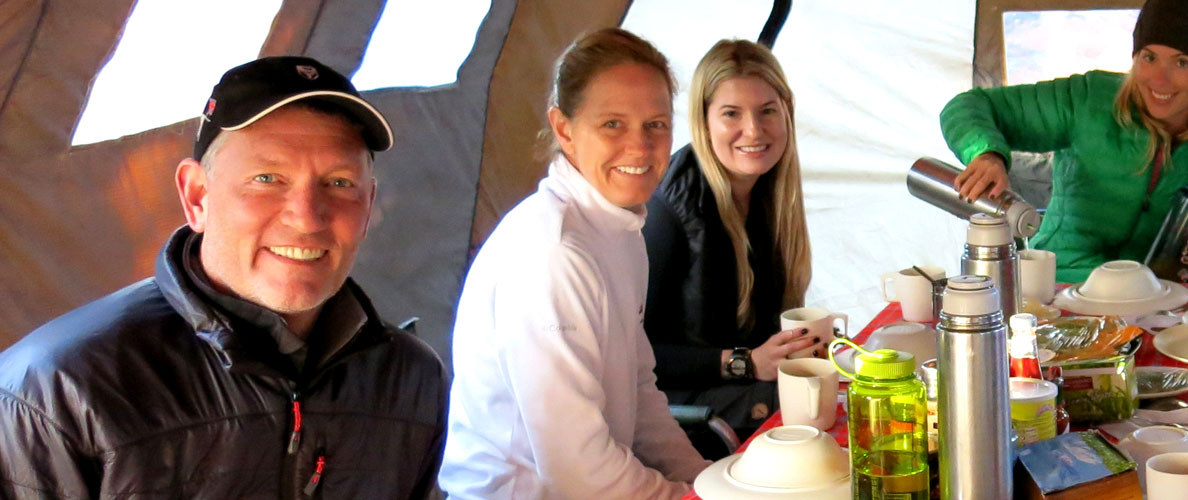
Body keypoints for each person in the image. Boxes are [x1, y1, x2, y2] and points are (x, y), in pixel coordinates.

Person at [0, 56, 449, 498]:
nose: (308, 218)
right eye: (268, 178)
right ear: (197, 197)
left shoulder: (410, 379)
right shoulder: (59, 390)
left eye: (338, 183)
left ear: (368, 206)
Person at [438, 28, 709, 499]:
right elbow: (579, 474)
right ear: (565, 129)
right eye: (613, 124)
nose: (640, 147)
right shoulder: (554, 254)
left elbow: (639, 391)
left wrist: (706, 480)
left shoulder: (619, 231)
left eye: (656, 125)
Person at [938, 0, 1188, 283]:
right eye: (1149, 57)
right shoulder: (1088, 100)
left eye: (1181, 62)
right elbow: (968, 106)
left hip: (1160, 303)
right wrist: (986, 153)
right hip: (1062, 285)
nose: (1159, 78)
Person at [644, 39, 818, 448]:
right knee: (810, 411)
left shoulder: (771, 192)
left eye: (767, 112)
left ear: (787, 112)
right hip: (682, 415)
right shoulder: (668, 209)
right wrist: (744, 363)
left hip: (735, 397)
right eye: (731, 114)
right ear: (704, 122)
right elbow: (638, 354)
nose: (753, 131)